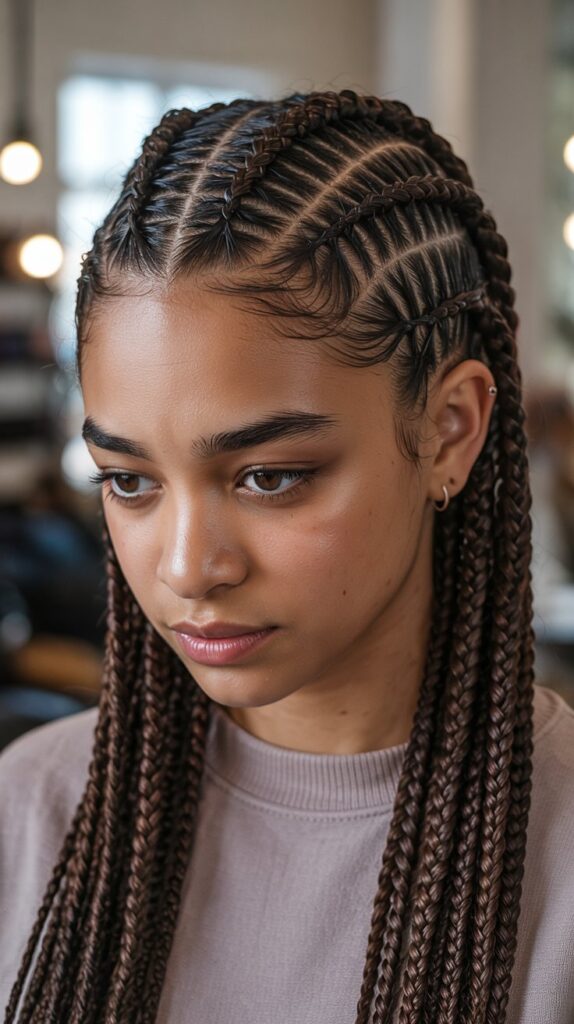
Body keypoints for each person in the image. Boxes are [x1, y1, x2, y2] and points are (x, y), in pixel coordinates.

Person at [0, 90, 573, 1024]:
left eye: (269, 476)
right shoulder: (31, 816)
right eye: (129, 481)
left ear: (450, 428)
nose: (188, 568)